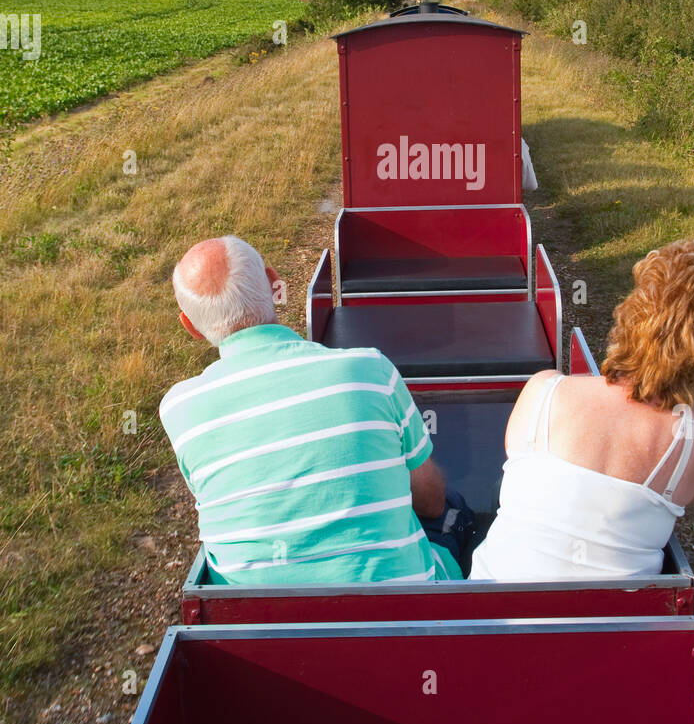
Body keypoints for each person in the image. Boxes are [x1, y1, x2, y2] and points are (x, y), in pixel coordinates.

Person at [159, 235, 465, 584]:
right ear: (276, 284)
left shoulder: (178, 410)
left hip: (254, 627)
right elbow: (430, 501)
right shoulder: (369, 370)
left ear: (191, 327)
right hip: (401, 615)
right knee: (452, 512)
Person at [470, 239, 694, 582]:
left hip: (494, 615)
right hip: (614, 625)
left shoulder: (545, 390)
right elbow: (686, 496)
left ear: (633, 313)